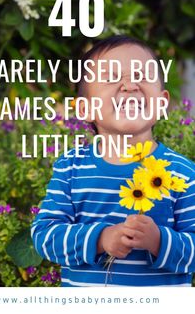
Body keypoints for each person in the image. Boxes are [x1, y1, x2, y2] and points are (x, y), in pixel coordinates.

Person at [31, 35, 195, 287]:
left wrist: (158, 241)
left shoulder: (182, 173)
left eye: (142, 76)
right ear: (85, 109)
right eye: (111, 78)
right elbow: (44, 237)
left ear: (162, 103)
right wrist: (100, 238)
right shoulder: (71, 168)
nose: (130, 86)